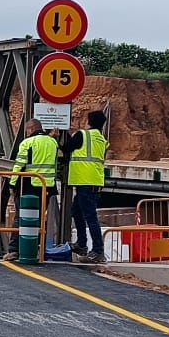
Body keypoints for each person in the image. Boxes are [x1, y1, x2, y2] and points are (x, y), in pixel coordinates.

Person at [66, 109, 110, 262]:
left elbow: (67, 148)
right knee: (77, 212)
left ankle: (97, 250)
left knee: (90, 217)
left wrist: (62, 134)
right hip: (93, 182)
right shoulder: (102, 140)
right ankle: (82, 244)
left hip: (85, 182)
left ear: (89, 122)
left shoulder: (82, 135)